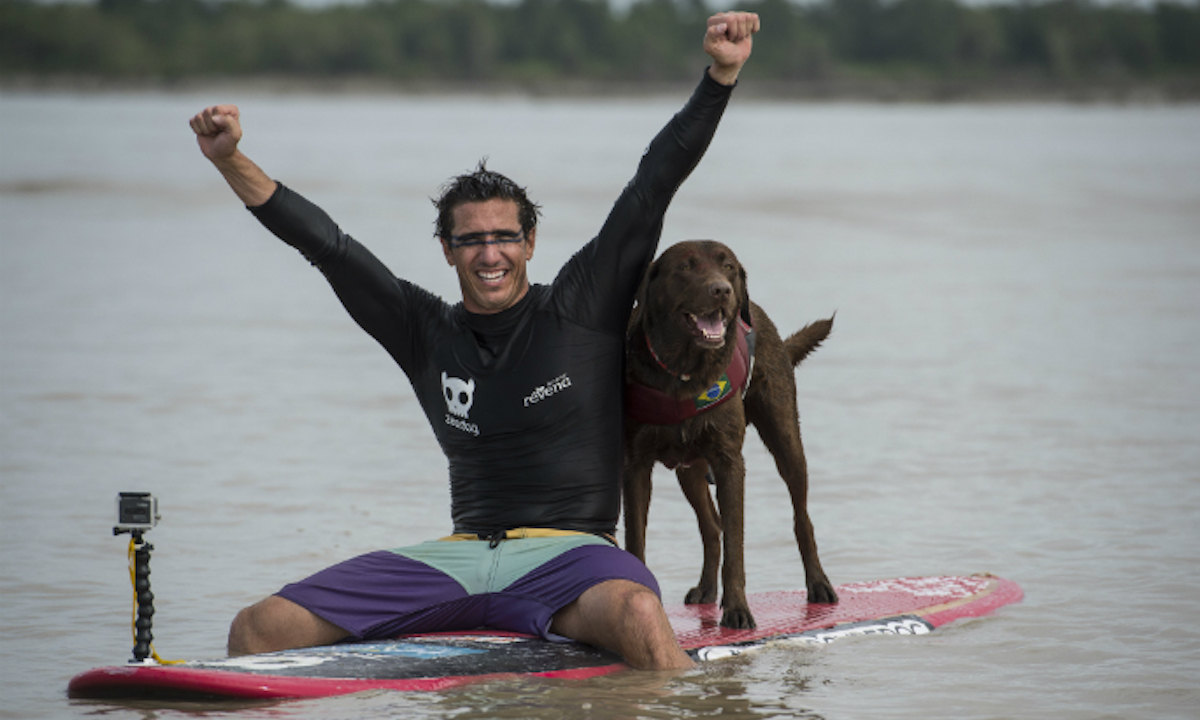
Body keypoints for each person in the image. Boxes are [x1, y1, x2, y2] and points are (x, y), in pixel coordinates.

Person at [189, 11, 760, 672]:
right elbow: (327, 247)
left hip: (572, 558)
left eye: (505, 237)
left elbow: (652, 182)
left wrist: (720, 76)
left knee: (638, 615)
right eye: (472, 240)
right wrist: (230, 159)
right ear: (448, 250)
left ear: (530, 244)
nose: (490, 254)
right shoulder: (421, 328)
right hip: (460, 559)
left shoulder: (585, 302)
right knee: (257, 630)